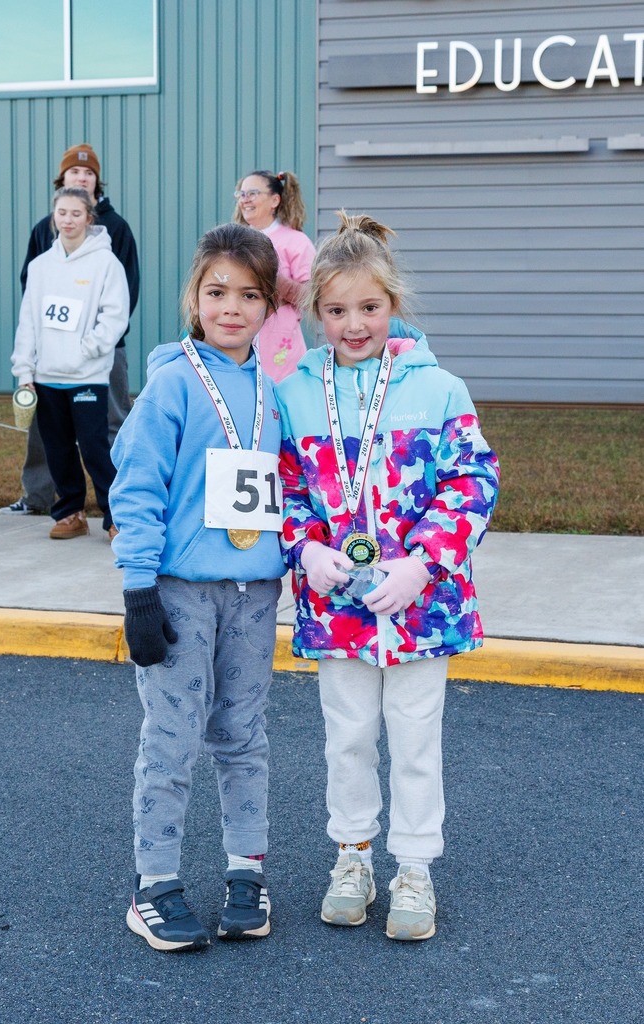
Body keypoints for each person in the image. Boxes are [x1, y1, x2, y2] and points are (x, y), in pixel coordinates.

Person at [275, 212, 500, 941]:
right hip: (336, 604)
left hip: (419, 604)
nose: (353, 324)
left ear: (392, 305)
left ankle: (414, 869)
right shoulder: (296, 390)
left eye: (368, 308)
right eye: (336, 311)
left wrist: (423, 562)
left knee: (412, 739)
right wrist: (304, 550)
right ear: (315, 313)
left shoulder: (438, 388)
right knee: (344, 737)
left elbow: (472, 481)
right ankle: (352, 856)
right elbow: (287, 488)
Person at [109, 222, 286, 952]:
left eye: (249, 295)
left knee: (243, 736)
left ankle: (247, 871)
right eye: (217, 292)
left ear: (271, 305)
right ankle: (154, 885)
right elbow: (138, 487)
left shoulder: (274, 391)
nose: (232, 308)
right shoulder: (172, 382)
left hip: (252, 595)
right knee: (173, 741)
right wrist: (138, 590)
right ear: (194, 296)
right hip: (180, 591)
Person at [0, 143, 139, 515]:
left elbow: (121, 301)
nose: (68, 219)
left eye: (88, 173)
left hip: (97, 363)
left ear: (89, 214)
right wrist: (28, 365)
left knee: (101, 439)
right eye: (61, 212)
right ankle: (58, 506)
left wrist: (92, 346)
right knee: (53, 442)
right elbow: (30, 308)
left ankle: (119, 512)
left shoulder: (114, 236)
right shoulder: (43, 250)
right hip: (49, 370)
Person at [233, 169, 315, 383]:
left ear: (275, 200)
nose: (245, 200)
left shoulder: (296, 242)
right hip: (239, 342)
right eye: (241, 194)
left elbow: (312, 298)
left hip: (279, 351)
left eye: (252, 193)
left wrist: (277, 281)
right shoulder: (233, 242)